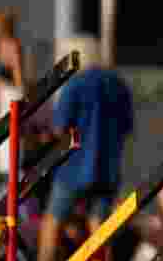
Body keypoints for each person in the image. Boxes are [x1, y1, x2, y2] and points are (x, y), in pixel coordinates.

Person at [37, 35, 135, 261]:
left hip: (73, 168)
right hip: (107, 170)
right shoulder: (119, 85)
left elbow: (60, 128)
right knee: (100, 229)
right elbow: (127, 128)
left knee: (53, 221)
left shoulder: (74, 84)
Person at [0, 10, 26, 179]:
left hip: (11, 94)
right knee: (3, 139)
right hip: (3, 95)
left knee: (11, 137)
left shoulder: (13, 45)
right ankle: (5, 174)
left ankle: (13, 174)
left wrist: (21, 95)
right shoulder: (1, 45)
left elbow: (18, 75)